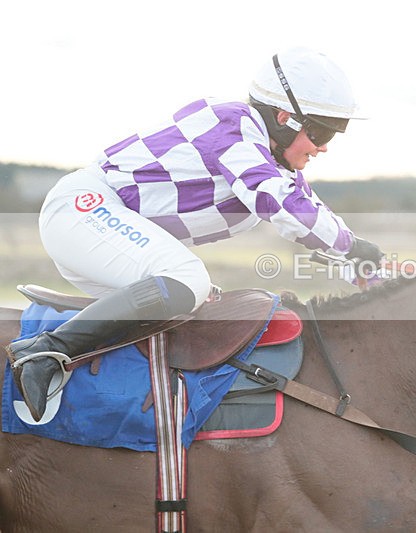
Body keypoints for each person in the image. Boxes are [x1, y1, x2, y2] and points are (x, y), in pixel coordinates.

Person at [6, 47, 383, 421]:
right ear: (284, 118)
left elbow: (313, 218)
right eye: (320, 131)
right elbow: (280, 205)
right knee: (189, 280)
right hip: (84, 209)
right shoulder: (233, 124)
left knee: (202, 302)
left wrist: (374, 275)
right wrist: (352, 247)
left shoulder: (274, 166)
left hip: (102, 229)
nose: (325, 146)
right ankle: (40, 354)